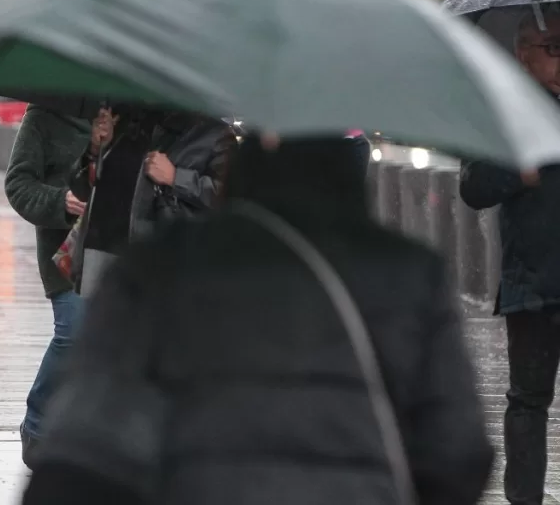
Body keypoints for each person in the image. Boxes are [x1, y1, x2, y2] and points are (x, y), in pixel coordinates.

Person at [25, 135, 494, 505]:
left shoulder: (158, 266)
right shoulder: (410, 274)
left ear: (236, 177)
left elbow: (83, 455)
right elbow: (460, 455)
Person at [460, 10, 560, 505]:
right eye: (553, 49)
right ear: (523, 54)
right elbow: (473, 187)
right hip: (533, 284)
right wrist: (518, 172)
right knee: (527, 401)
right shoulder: (503, 113)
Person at [68, 106, 237, 296]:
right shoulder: (123, 122)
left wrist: (176, 178)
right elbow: (80, 189)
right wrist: (94, 150)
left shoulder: (215, 135)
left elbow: (232, 199)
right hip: (100, 251)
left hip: (162, 262)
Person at [3, 104, 90, 466]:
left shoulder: (132, 112)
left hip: (124, 248)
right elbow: (18, 184)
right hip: (66, 254)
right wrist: (61, 200)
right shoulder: (44, 114)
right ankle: (37, 423)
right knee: (73, 331)